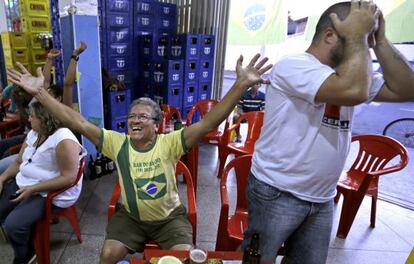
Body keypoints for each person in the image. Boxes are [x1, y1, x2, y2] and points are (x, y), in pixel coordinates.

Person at [7, 53, 272, 264]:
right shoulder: (117, 143)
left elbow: (210, 121)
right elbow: (77, 121)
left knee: (183, 259)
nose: (134, 119)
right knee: (107, 256)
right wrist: (40, 93)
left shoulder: (170, 143)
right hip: (130, 218)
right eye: (132, 115)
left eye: (143, 116)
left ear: (157, 124)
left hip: (169, 220)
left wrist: (239, 85)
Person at [241, 1, 414, 263]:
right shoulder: (294, 65)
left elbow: (406, 89)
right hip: (278, 191)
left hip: (322, 197)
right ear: (330, 36)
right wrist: (357, 36)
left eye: (367, 39)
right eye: (360, 38)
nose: (364, 47)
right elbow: (354, 92)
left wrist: (380, 40)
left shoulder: (351, 75)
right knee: (258, 259)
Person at [0, 101, 85, 264]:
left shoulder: (63, 139)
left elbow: (68, 178)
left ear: (45, 118)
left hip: (49, 192)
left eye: (32, 116)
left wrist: (33, 189)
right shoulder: (34, 132)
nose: (29, 119)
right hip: (27, 183)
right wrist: (2, 178)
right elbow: (19, 162)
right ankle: (24, 234)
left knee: (13, 225)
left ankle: (25, 253)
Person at [0, 43, 87, 174]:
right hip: (31, 138)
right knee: (3, 147)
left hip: (42, 152)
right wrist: (50, 59)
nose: (45, 93)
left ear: (58, 99)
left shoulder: (64, 112)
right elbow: (44, 82)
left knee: (5, 160)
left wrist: (74, 56)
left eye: (50, 93)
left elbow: (68, 84)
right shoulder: (39, 101)